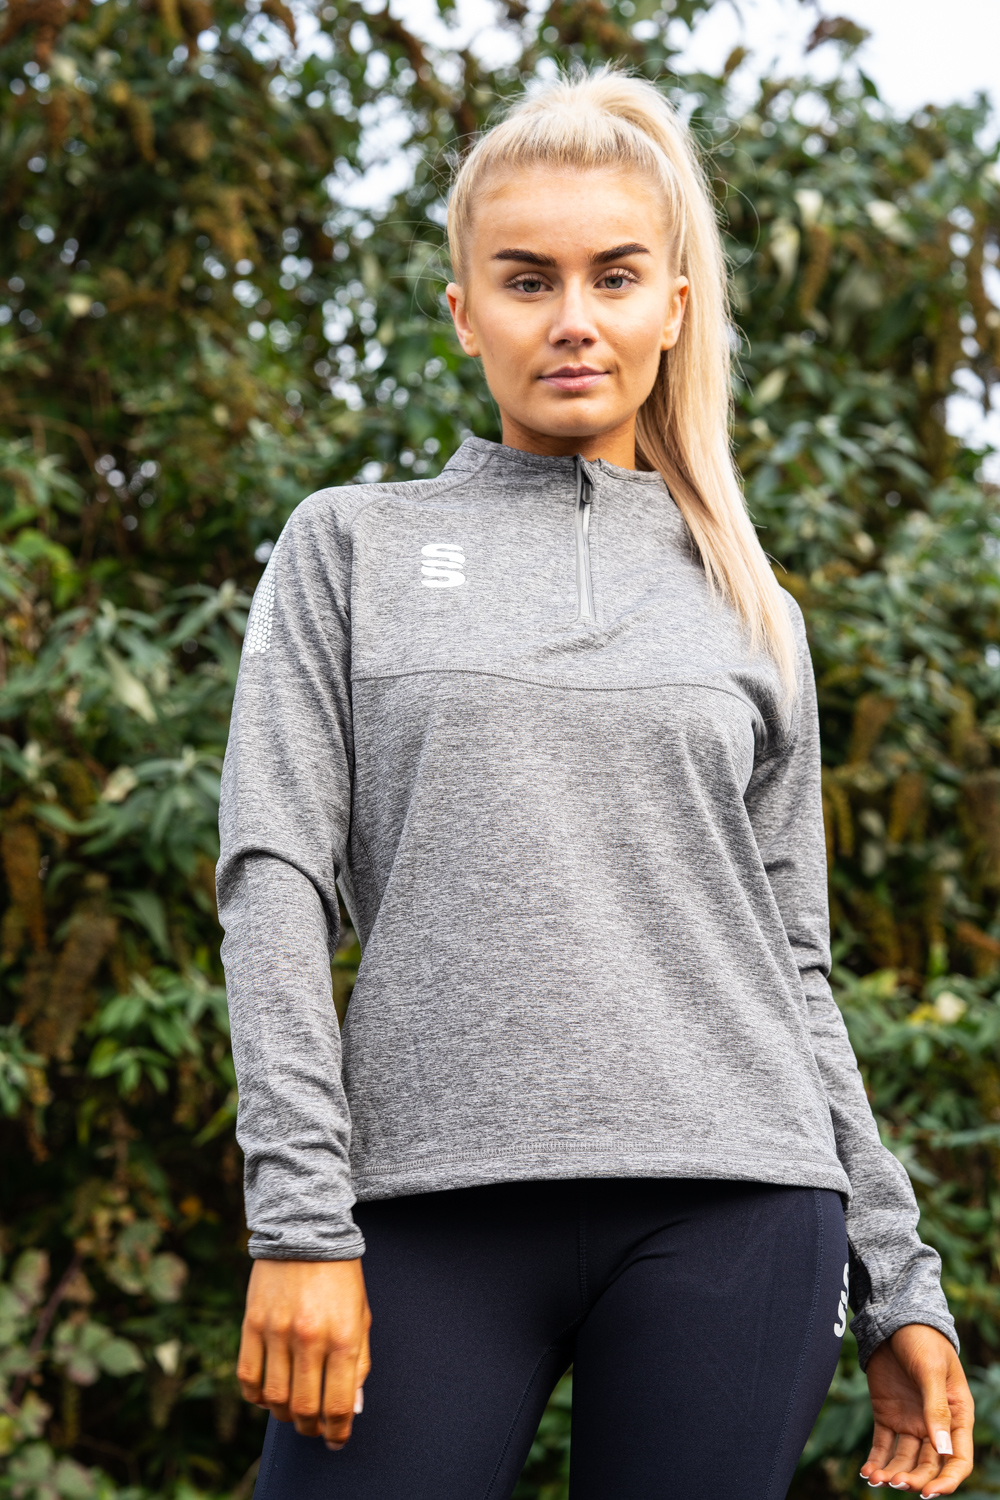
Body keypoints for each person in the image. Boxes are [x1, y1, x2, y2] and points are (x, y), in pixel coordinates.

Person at [217, 68, 974, 1500]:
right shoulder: (352, 548)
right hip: (421, 1203)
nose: (573, 318)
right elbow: (276, 883)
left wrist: (899, 1278)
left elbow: (793, 965)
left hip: (738, 1204)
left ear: (673, 306)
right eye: (528, 279)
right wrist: (299, 1224)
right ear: (464, 312)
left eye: (614, 277)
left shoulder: (751, 605)